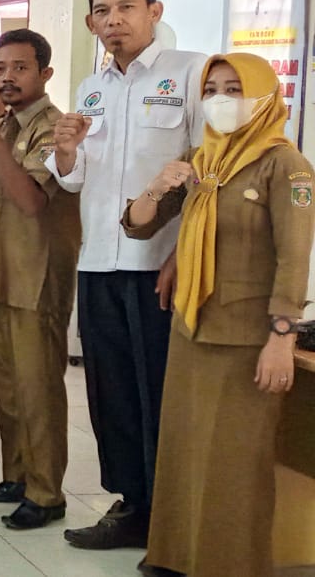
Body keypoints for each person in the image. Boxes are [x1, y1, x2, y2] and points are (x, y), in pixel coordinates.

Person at [122, 53, 312, 577]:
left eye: (235, 88)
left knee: (235, 458)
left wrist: (282, 338)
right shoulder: (203, 159)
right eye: (213, 89)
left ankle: (230, 564)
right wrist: (160, 184)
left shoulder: (285, 164)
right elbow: (138, 225)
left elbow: (294, 258)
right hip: (192, 325)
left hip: (248, 335)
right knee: (184, 448)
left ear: (266, 96)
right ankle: (175, 555)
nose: (222, 100)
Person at [52, 0, 206, 550]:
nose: (113, 21)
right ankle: (130, 502)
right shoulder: (93, 88)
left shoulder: (190, 74)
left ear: (154, 11)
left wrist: (182, 255)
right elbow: (72, 181)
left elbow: (204, 174)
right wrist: (66, 152)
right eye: (102, 12)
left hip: (157, 267)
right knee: (109, 389)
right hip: (97, 261)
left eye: (126, 8)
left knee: (159, 390)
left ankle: (171, 508)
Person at [0, 30, 79, 529]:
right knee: (8, 389)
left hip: (36, 280)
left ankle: (46, 492)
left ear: (45, 74)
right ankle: (16, 476)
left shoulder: (54, 129)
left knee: (39, 392)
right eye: (1, 67)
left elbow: (31, 201)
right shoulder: (6, 124)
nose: (8, 77)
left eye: (21, 68)